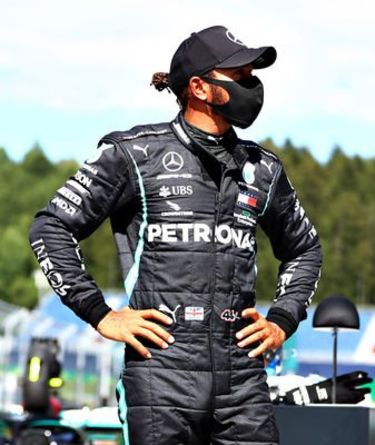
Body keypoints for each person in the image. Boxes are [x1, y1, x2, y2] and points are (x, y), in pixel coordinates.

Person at [28, 25, 322, 445]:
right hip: (160, 372)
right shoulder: (134, 153)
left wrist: (283, 319)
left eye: (252, 75)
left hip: (243, 376)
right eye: (240, 75)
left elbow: (305, 248)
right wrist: (101, 314)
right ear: (199, 87)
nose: (253, 85)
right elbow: (50, 227)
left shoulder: (263, 169)